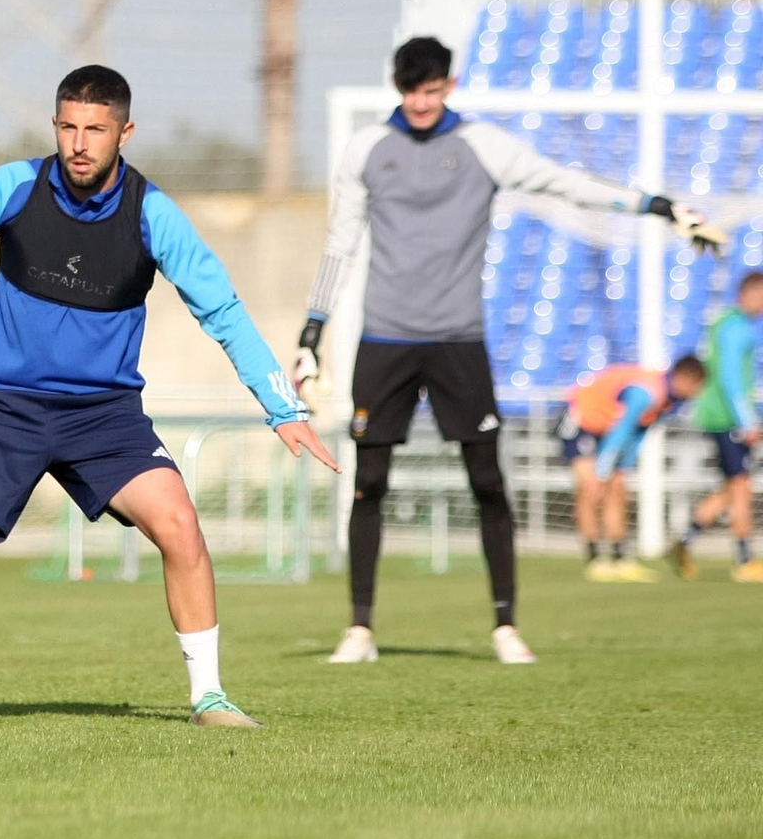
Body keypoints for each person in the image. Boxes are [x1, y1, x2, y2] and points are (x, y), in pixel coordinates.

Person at [0, 65, 338, 727]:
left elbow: (224, 311)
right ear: (55, 126)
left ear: (125, 131)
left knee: (179, 524)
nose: (80, 142)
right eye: (68, 127)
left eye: (96, 128)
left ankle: (210, 696)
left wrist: (282, 408)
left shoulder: (153, 215)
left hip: (103, 417)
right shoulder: (14, 188)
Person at [297, 36, 726, 665]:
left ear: (449, 85)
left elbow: (566, 184)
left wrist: (657, 206)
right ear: (397, 87)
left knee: (488, 481)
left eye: (432, 88)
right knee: (371, 481)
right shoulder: (365, 149)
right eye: (410, 89)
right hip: (385, 340)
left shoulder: (483, 147)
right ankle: (360, 628)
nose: (421, 100)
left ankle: (504, 627)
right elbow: (340, 244)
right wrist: (312, 333)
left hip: (459, 341)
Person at [559, 358, 707, 583]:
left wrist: (624, 467)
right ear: (684, 378)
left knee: (618, 488)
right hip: (581, 420)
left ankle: (620, 559)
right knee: (590, 486)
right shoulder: (647, 392)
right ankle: (595, 560)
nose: (697, 392)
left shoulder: (670, 400)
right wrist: (602, 470)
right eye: (696, 385)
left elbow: (638, 433)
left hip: (606, 429)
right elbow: (623, 429)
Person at [671, 272, 763, 583]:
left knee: (732, 486)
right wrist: (747, 420)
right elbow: (730, 379)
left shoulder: (726, 322)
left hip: (718, 414)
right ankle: (744, 559)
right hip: (726, 416)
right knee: (741, 486)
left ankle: (684, 541)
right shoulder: (737, 328)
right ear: (748, 293)